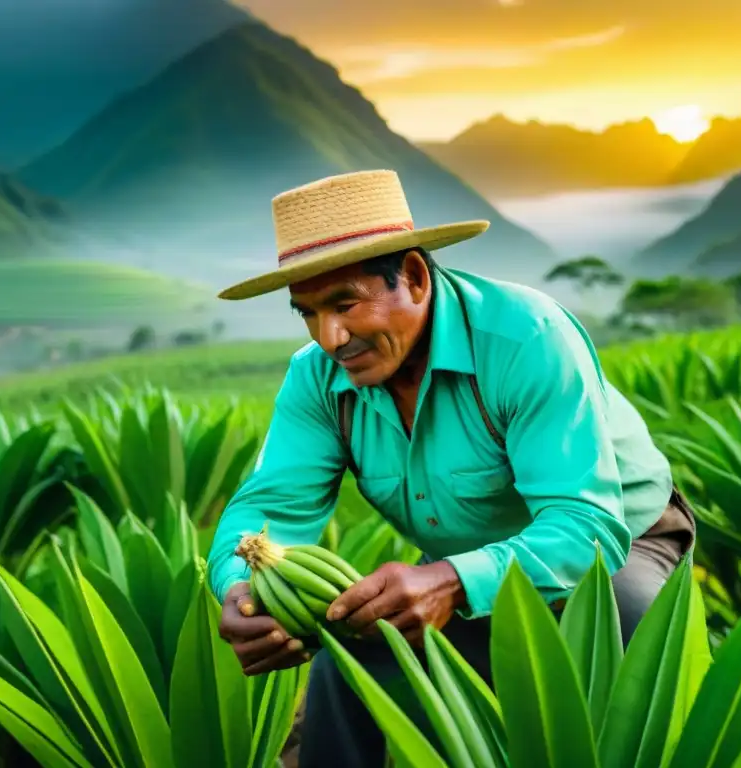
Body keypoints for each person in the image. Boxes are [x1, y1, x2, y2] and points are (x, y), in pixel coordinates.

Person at [209, 169, 696, 767]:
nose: (331, 337)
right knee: (345, 668)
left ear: (414, 276)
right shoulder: (317, 379)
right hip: (459, 559)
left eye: (345, 304)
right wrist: (240, 583)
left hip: (615, 542)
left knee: (628, 651)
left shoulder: (525, 337)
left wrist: (454, 582)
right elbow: (270, 509)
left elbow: (582, 523)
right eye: (307, 313)